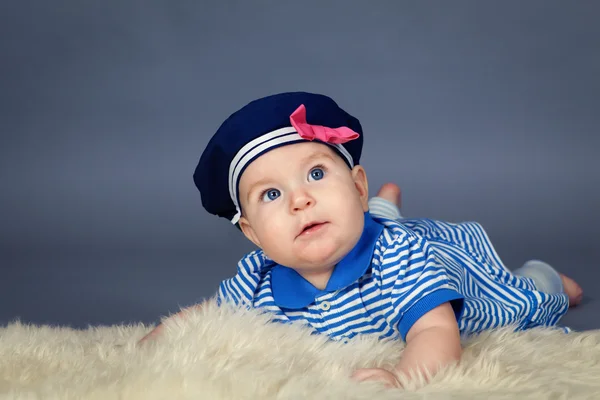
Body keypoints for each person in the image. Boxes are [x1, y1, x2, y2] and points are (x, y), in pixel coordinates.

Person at [140, 92, 583, 388]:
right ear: (253, 233)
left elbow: (434, 329)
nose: (301, 201)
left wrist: (404, 377)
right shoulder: (257, 278)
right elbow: (211, 314)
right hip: (360, 223)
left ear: (355, 184)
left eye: (316, 174)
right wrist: (164, 333)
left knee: (520, 296)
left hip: (444, 260)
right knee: (359, 223)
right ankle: (384, 206)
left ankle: (546, 278)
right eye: (271, 194)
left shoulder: (399, 256)